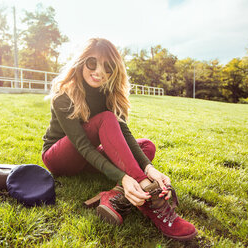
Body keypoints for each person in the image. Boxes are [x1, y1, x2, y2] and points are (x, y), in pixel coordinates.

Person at [42, 38, 197, 241]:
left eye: (108, 66)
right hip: (60, 158)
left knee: (146, 147)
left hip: (87, 159)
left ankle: (114, 195)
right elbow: (83, 147)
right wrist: (127, 177)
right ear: (81, 61)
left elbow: (125, 134)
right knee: (106, 119)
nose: (99, 71)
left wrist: (150, 168)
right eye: (92, 63)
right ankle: (148, 198)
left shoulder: (109, 94)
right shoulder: (64, 95)